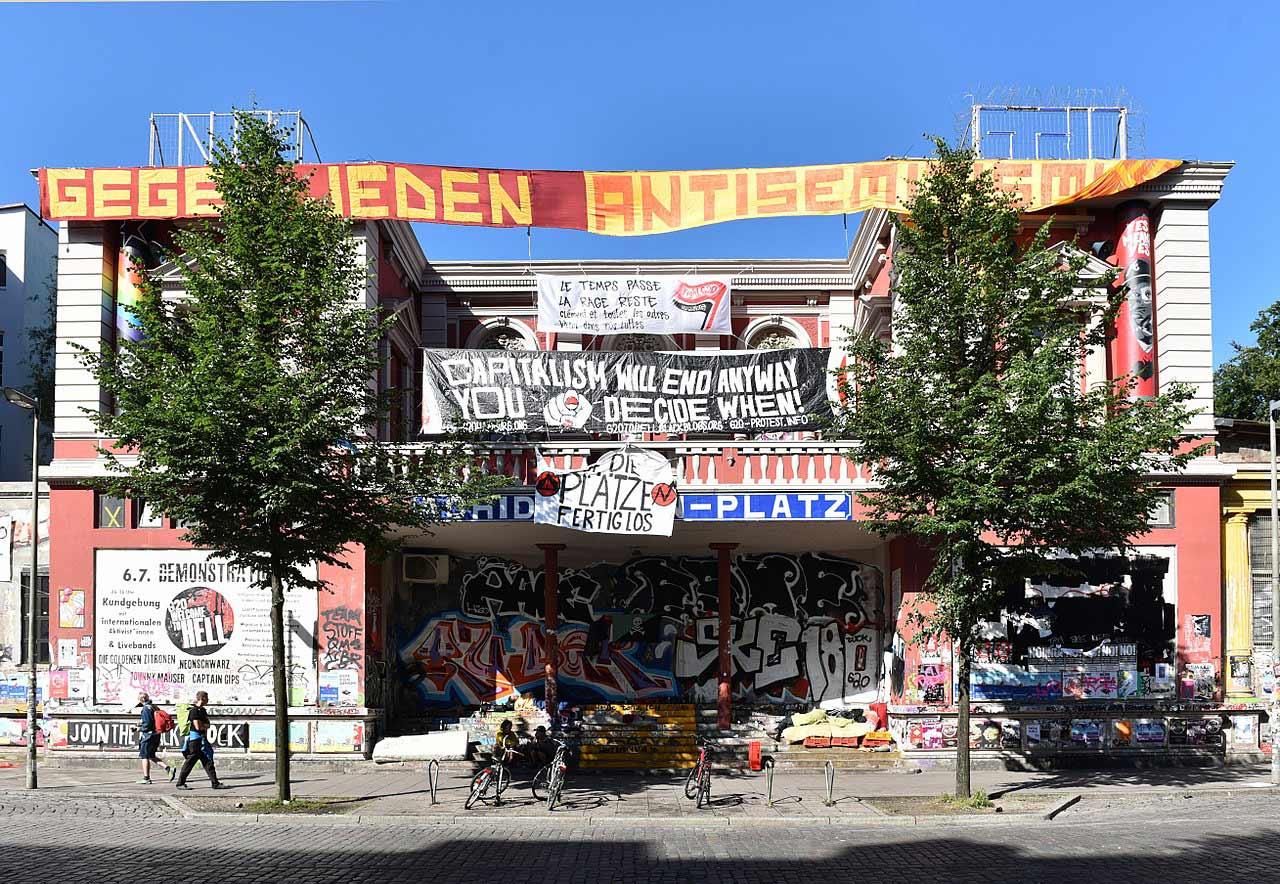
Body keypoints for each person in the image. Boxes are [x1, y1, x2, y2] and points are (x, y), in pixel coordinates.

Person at [175, 691, 225, 790]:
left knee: (208, 762)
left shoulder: (202, 711)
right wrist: (204, 725)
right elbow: (198, 727)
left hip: (202, 740)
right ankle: (180, 783)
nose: (208, 700)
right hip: (195, 741)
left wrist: (204, 725)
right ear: (202, 698)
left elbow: (207, 725)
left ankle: (215, 783)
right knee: (190, 762)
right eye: (207, 698)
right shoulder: (194, 711)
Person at [136, 692, 176, 784]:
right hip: (156, 734)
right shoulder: (154, 707)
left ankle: (146, 778)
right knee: (151, 755)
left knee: (144, 756)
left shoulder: (145, 708)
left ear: (141, 700)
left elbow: (147, 724)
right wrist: (141, 723)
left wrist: (139, 728)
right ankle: (168, 768)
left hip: (148, 736)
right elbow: (153, 721)